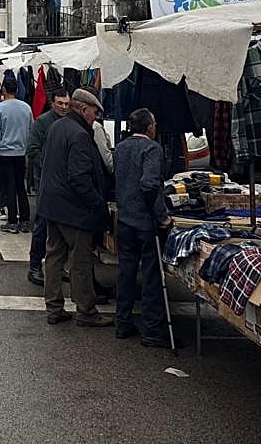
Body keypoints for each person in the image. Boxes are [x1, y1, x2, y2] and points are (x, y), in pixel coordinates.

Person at [38, 88, 112, 327]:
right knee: (81, 261)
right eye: (94, 112)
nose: (96, 117)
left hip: (52, 204)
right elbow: (79, 177)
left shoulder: (57, 127)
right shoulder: (79, 134)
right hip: (73, 209)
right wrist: (97, 203)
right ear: (83, 109)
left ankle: (54, 307)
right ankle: (86, 311)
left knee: (54, 257)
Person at [113, 108, 172, 348]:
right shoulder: (152, 149)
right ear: (149, 128)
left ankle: (122, 322)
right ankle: (152, 331)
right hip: (145, 222)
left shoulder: (121, 147)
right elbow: (149, 185)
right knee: (151, 276)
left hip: (125, 218)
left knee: (126, 272)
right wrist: (162, 217)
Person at [26, 89, 70, 285]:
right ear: (52, 103)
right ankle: (35, 266)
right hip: (44, 180)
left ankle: (58, 266)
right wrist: (49, 168)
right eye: (60, 103)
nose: (63, 107)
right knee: (42, 224)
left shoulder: (70, 122)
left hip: (65, 183)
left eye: (66, 103)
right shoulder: (43, 122)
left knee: (63, 226)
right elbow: (32, 150)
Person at [0, 77, 34, 234]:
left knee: (9, 187)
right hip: (21, 153)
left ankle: (12, 222)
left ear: (3, 90)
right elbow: (31, 129)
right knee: (20, 186)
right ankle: (25, 220)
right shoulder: (26, 108)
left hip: (5, 153)